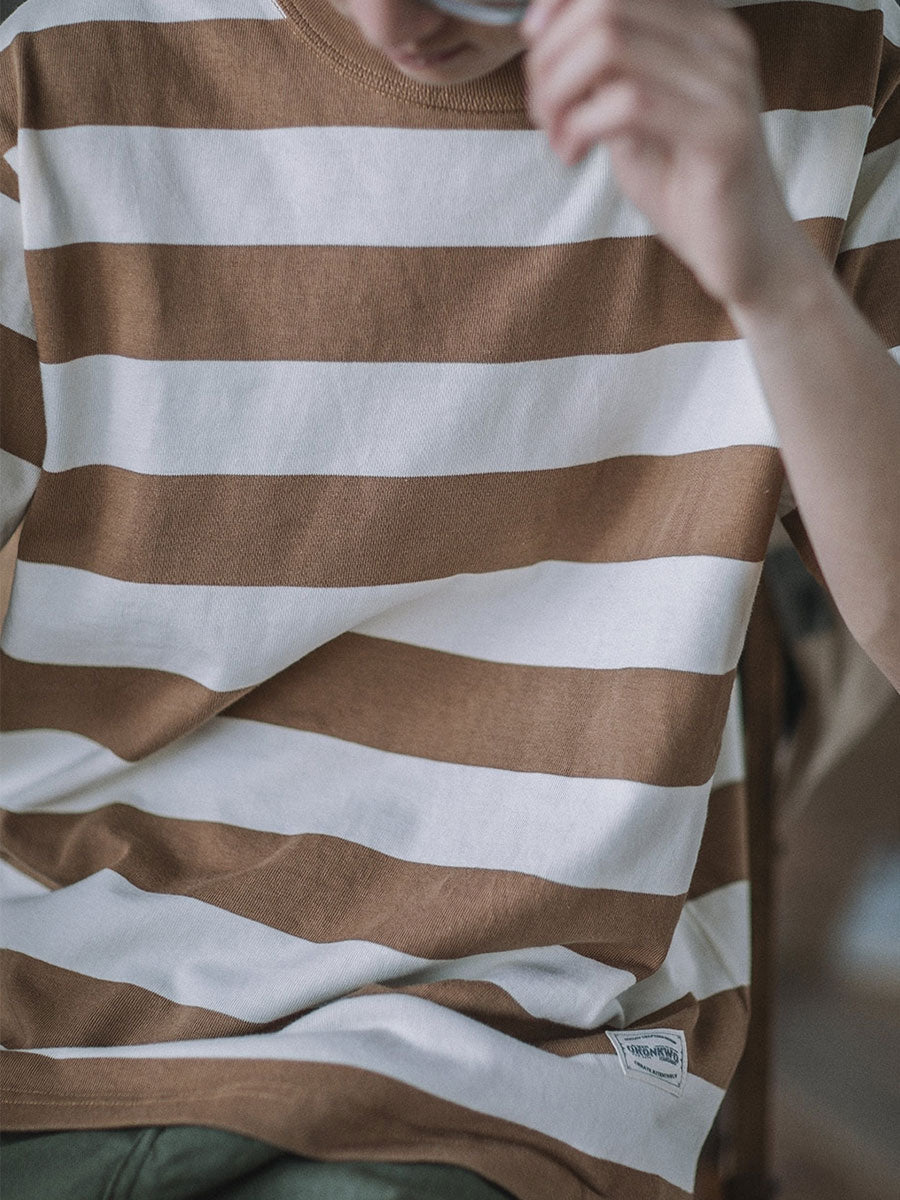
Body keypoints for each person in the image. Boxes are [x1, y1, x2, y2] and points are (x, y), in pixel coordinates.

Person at [0, 0, 897, 1197]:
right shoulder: (59, 67)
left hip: (505, 1046)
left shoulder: (830, 78)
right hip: (46, 988)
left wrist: (777, 286)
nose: (397, 15)